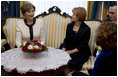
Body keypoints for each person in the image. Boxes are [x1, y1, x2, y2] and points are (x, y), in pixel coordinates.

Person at [61, 7, 91, 73]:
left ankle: (76, 73)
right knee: (60, 60)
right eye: (73, 14)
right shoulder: (69, 26)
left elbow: (83, 45)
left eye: (74, 14)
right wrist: (63, 49)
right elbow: (66, 40)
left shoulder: (86, 29)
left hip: (81, 52)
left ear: (80, 16)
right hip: (69, 48)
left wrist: (70, 52)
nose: (72, 15)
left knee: (72, 63)